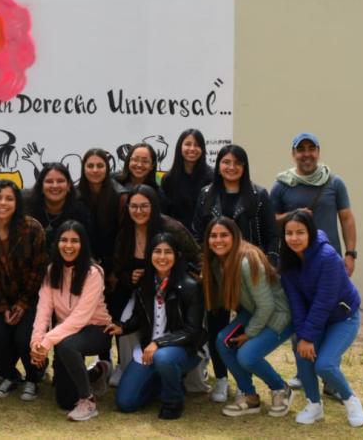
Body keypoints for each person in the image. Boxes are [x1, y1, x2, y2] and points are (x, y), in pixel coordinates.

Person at [193, 144, 278, 401]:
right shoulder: (206, 194)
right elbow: (198, 234)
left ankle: (245, 383)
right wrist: (202, 266)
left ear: (244, 167)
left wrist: (269, 265)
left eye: (237, 163)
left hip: (248, 274)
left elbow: (273, 236)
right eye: (226, 162)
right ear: (218, 165)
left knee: (245, 326)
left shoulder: (259, 194)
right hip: (216, 274)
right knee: (217, 324)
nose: (231, 167)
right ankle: (221, 379)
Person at [201, 217, 294, 417]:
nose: (218, 240)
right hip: (255, 312)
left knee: (247, 355)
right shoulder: (217, 262)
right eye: (213, 236)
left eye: (224, 235)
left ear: (235, 237)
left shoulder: (247, 260)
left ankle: (280, 389)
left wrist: (249, 334)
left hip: (280, 315)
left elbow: (267, 304)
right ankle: (249, 396)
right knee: (222, 341)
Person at [279, 211, 363, 427]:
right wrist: (303, 337)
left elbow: (324, 301)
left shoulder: (328, 257)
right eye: (289, 233)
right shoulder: (288, 262)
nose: (294, 238)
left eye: (300, 232)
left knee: (324, 365)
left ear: (311, 233)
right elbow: (296, 304)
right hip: (316, 318)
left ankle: (350, 399)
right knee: (302, 353)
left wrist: (308, 336)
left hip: (342, 317)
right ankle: (314, 405)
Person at [108, 232, 207, 420]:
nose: (162, 257)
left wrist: (159, 343)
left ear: (176, 256)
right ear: (150, 255)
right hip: (148, 350)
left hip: (182, 350)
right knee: (125, 403)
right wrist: (123, 327)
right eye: (157, 251)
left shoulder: (190, 286)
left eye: (167, 252)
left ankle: (173, 400)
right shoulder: (145, 284)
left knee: (163, 357)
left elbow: (192, 331)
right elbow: (139, 317)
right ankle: (164, 383)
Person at [110, 185, 200, 385]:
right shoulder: (125, 233)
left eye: (144, 206)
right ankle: (125, 366)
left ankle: (184, 368)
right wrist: (129, 277)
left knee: (178, 326)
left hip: (174, 290)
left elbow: (195, 255)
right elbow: (117, 269)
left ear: (154, 206)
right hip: (142, 294)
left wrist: (180, 278)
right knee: (125, 321)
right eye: (134, 206)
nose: (139, 211)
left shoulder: (170, 227)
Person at [29, 221, 112, 421]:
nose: (68, 245)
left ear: (83, 244)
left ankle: (88, 400)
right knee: (65, 400)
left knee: (66, 346)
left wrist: (48, 341)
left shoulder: (93, 272)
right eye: (64, 240)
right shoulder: (52, 271)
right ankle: (97, 373)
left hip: (95, 330)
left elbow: (80, 318)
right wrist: (37, 342)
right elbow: (43, 310)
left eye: (75, 241)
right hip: (66, 334)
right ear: (57, 243)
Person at [0, 180, 48, 400]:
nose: (3, 203)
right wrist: (3, 305)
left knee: (23, 338)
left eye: (9, 198)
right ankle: (10, 376)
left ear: (17, 202)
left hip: (30, 296)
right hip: (0, 297)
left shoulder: (32, 228)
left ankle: (33, 378)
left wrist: (23, 303)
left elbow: (39, 270)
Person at [271, 133, 356, 274]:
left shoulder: (334, 183)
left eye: (311, 149)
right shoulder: (281, 185)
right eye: (301, 149)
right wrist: (293, 215)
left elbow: (347, 219)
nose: (307, 154)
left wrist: (350, 254)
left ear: (318, 152)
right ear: (293, 154)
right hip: (294, 264)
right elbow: (270, 221)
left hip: (329, 261)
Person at [76, 148, 126, 278]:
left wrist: (115, 271)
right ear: (83, 168)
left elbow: (123, 237)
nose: (95, 170)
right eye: (90, 166)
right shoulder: (74, 196)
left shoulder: (120, 196)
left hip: (114, 267)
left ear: (107, 168)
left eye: (100, 166)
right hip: (81, 264)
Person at [26, 162, 92, 247]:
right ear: (41, 187)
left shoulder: (81, 213)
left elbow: (86, 248)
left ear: (68, 186)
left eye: (60, 181)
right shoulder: (28, 211)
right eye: (49, 181)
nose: (55, 186)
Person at [160, 129, 213, 226]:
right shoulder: (168, 179)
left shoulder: (212, 177)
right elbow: (165, 213)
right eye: (188, 144)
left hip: (205, 235)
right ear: (180, 147)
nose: (192, 148)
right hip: (177, 235)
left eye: (197, 145)